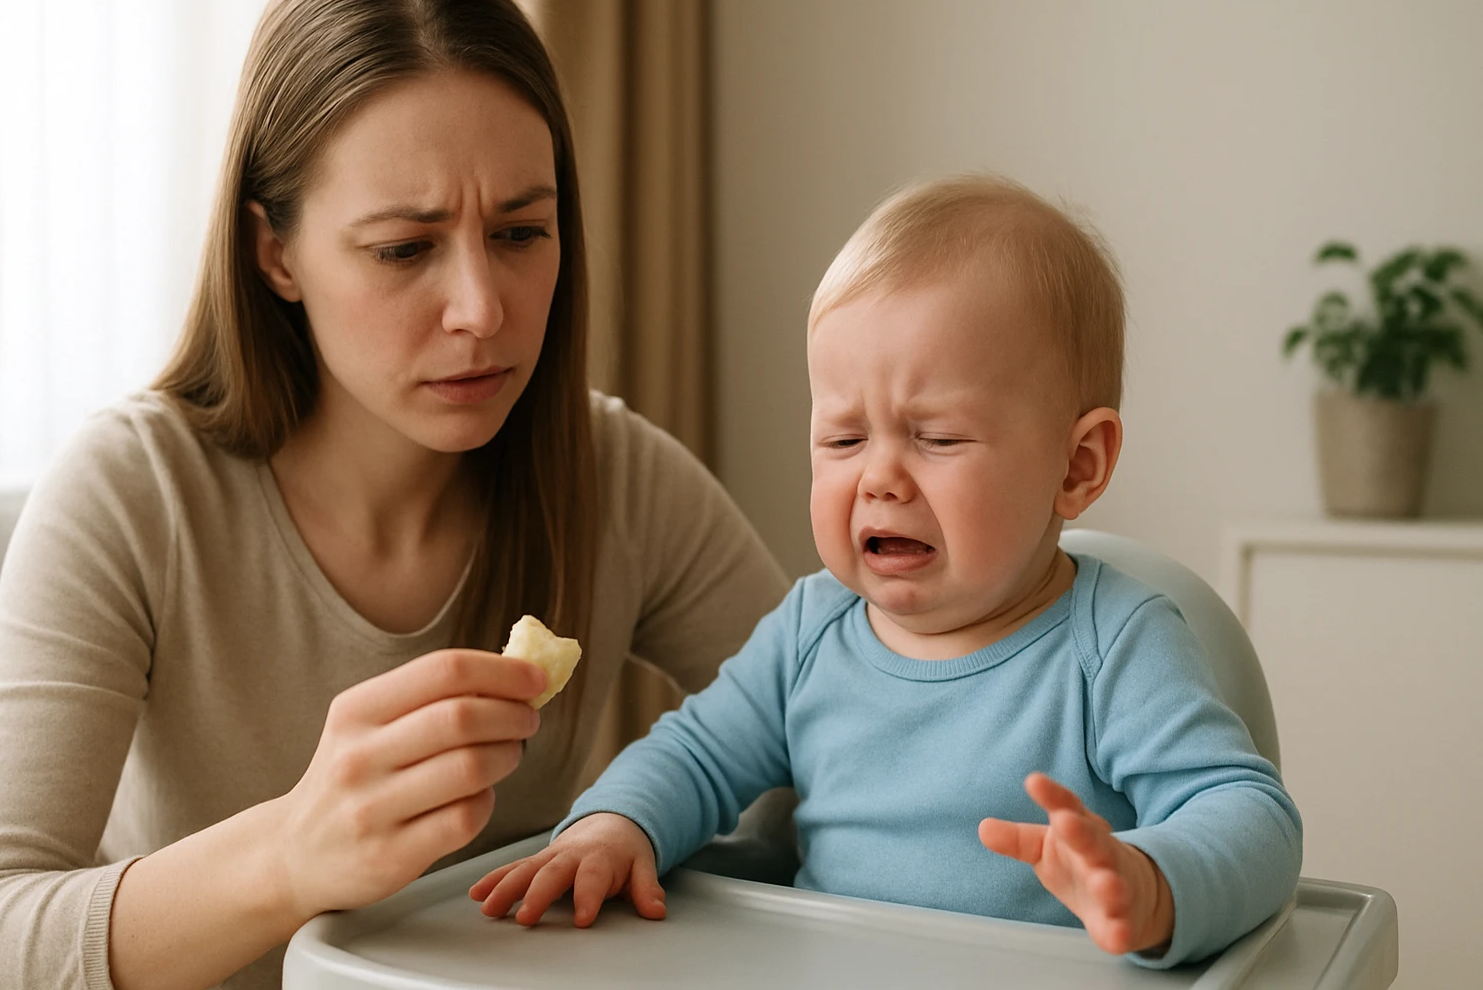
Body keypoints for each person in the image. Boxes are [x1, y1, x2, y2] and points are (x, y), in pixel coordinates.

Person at [0, 0, 788, 988]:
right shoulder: (132, 494)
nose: (483, 306)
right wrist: (291, 852)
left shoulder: (619, 477)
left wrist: (644, 831)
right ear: (275, 253)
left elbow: (836, 738)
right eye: (403, 248)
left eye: (523, 232)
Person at [472, 175, 1303, 968]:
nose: (879, 477)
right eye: (842, 439)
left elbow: (1249, 816)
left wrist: (1151, 885)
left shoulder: (1114, 647)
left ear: (1077, 465)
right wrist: (616, 827)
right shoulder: (809, 632)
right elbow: (694, 757)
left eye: (936, 438)